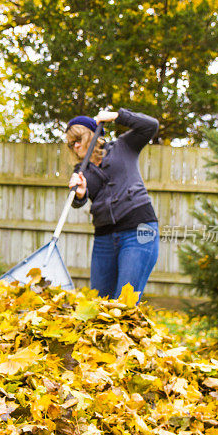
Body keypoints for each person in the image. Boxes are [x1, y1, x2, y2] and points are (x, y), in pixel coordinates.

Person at [66, 108, 159, 301]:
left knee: (125, 304)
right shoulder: (82, 170)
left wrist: (118, 116)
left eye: (78, 139)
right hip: (105, 237)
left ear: (92, 135)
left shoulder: (123, 146)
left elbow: (151, 126)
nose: (74, 146)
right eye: (70, 143)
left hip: (138, 229)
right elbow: (80, 200)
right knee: (100, 303)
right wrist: (80, 194)